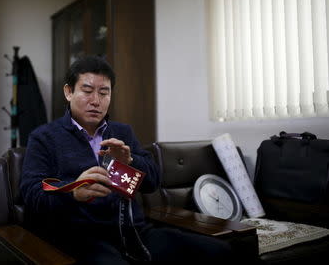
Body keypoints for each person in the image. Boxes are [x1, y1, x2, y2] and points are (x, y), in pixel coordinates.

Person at [20, 55, 236, 264]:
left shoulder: (122, 132)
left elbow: (153, 183)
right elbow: (31, 193)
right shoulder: (44, 137)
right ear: (68, 92)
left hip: (134, 231)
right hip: (81, 237)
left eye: (104, 93)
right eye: (87, 91)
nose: (96, 101)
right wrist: (74, 192)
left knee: (220, 251)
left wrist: (130, 162)